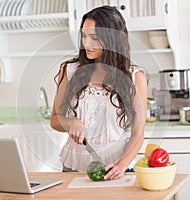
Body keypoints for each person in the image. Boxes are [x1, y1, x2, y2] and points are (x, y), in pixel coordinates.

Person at [50, 5, 148, 180]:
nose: (87, 43)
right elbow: (55, 120)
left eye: (94, 38)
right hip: (73, 167)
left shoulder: (135, 77)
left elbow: (137, 133)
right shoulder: (70, 70)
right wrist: (71, 123)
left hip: (117, 169)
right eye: (84, 36)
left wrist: (121, 165)